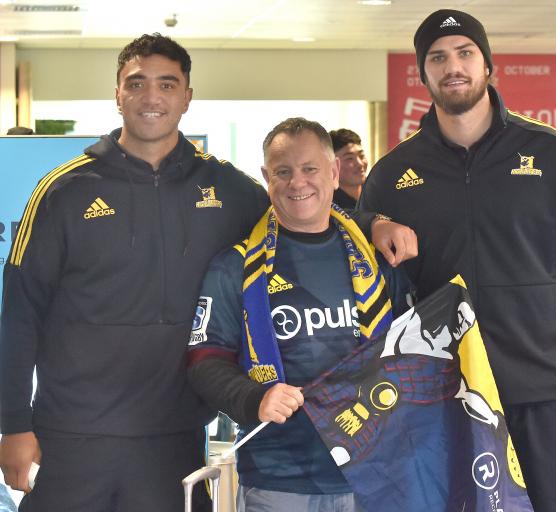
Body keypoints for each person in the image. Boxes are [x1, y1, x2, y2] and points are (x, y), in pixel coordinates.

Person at [0, 34, 416, 512]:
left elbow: (302, 207)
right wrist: (14, 423)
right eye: (136, 83)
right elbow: (18, 315)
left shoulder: (225, 188)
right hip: (73, 432)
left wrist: (374, 222)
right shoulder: (62, 192)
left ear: (187, 97)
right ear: (117, 94)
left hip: (173, 437)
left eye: (167, 83)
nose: (151, 96)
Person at [359, 9, 556, 512]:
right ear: (424, 73)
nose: (452, 66)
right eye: (438, 58)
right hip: (444, 398)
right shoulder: (393, 174)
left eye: (465, 53)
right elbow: (354, 252)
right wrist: (372, 221)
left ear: (488, 66)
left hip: (543, 394)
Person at [187, 118, 412, 512]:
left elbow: (413, 351)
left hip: (377, 473)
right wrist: (255, 397)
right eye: (283, 172)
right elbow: (205, 362)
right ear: (265, 177)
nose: (298, 183)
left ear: (334, 171)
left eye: (310, 169)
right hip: (281, 481)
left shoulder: (378, 261)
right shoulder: (234, 268)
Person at [329, 129, 368, 208]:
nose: (360, 164)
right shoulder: (329, 205)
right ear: (332, 165)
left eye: (361, 156)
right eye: (349, 158)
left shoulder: (376, 191)